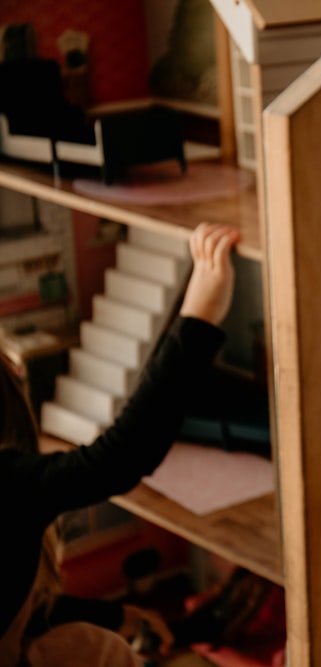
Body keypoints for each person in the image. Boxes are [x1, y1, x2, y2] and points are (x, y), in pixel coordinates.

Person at [0, 222, 241, 667]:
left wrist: (118, 614)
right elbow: (120, 458)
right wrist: (200, 316)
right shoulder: (10, 484)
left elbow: (21, 607)